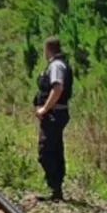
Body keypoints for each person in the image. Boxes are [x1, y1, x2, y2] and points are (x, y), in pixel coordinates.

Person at [33, 36, 73, 202]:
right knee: (56, 150)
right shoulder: (60, 64)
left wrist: (45, 108)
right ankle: (57, 190)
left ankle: (54, 187)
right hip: (57, 114)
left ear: (47, 49)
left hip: (54, 114)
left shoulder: (56, 66)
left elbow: (57, 88)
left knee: (46, 152)